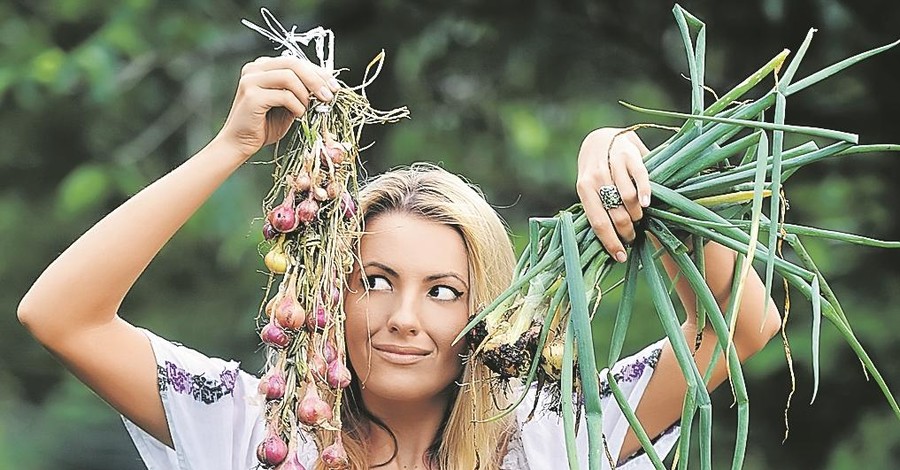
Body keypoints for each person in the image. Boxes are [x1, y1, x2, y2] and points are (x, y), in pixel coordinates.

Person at [17, 55, 781, 469]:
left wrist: (643, 179)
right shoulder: (249, 428)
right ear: (328, 293)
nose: (402, 319)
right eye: (374, 282)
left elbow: (741, 328)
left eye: (445, 292)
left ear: (488, 313)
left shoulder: (555, 437)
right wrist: (232, 148)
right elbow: (58, 316)